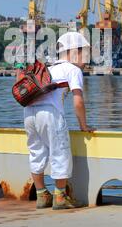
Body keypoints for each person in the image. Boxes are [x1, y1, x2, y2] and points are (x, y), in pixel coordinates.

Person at [23, 31, 94, 210]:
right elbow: (78, 102)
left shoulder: (50, 68)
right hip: (50, 114)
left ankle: (41, 195)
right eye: (85, 55)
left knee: (36, 152)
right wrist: (83, 126)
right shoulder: (73, 70)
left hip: (29, 113)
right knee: (60, 152)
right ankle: (60, 196)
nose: (86, 61)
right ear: (74, 53)